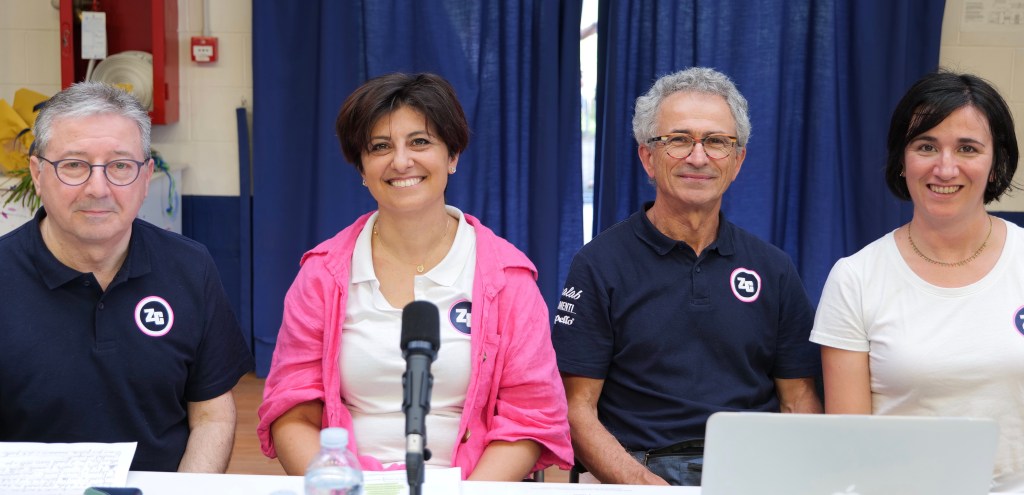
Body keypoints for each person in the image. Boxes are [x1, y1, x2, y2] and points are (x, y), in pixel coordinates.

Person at [257, 73, 572, 480]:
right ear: (361, 168)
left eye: (420, 142)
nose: (401, 161)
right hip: (349, 487)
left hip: (470, 487)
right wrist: (342, 487)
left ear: (452, 156)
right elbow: (292, 412)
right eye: (380, 147)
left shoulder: (507, 279)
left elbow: (529, 418)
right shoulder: (323, 274)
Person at [552, 67, 822, 486]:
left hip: (752, 473)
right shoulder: (598, 264)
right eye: (678, 140)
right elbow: (575, 408)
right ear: (648, 157)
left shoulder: (774, 269)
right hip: (637, 471)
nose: (698, 157)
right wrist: (644, 486)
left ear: (737, 161)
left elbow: (798, 400)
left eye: (716, 142)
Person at [0, 82, 253, 472]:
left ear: (146, 175)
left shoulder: (190, 267)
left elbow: (212, 416)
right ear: (37, 173)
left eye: (120, 166)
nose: (97, 188)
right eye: (73, 165)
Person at [812, 71, 1023, 491]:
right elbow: (850, 446)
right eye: (926, 146)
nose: (945, 168)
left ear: (996, 163)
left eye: (967, 148)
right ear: (901, 161)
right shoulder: (856, 278)